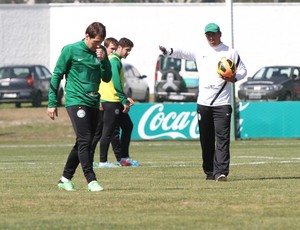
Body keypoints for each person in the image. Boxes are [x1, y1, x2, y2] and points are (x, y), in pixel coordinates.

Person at [159, 23, 247, 181]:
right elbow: (183, 53)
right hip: (204, 103)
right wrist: (167, 51)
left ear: (220, 34)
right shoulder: (200, 51)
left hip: (223, 103)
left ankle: (221, 172)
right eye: (208, 35)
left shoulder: (231, 52)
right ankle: (209, 171)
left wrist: (234, 78)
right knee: (206, 139)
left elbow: (243, 70)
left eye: (213, 34)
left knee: (222, 139)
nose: (211, 38)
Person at [47, 22, 112, 192]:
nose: (98, 46)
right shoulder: (70, 50)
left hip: (93, 101)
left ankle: (64, 179)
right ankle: (91, 180)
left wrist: (104, 61)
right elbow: (57, 75)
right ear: (87, 36)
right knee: (85, 139)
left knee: (84, 142)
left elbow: (106, 78)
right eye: (95, 42)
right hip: (75, 100)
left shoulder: (101, 53)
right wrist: (52, 102)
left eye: (101, 42)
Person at [92, 37, 139, 168]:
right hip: (110, 100)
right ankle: (103, 161)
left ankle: (123, 158)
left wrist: (124, 97)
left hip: (116, 99)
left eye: (130, 50)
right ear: (119, 47)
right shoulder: (114, 61)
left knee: (127, 126)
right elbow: (116, 82)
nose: (128, 53)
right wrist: (124, 100)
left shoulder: (116, 60)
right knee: (107, 131)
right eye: (127, 50)